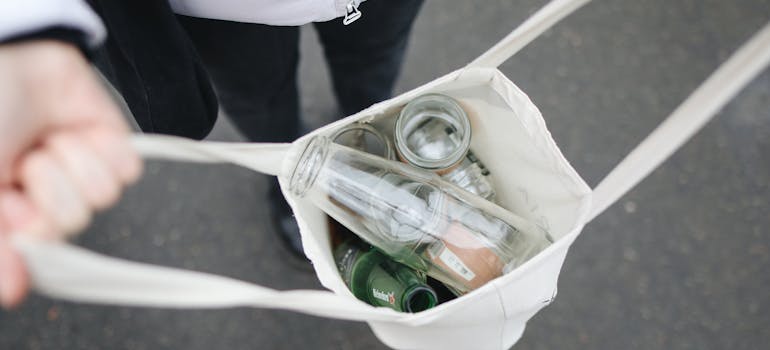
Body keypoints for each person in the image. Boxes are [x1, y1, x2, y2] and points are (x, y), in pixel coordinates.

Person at [0, 0, 423, 308]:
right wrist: (25, 24)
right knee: (262, 104)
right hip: (224, 11)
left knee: (373, 72)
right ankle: (287, 173)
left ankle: (368, 146)